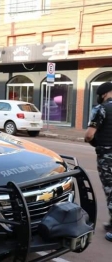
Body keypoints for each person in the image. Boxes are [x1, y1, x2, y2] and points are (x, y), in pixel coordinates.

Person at [84, 81, 112, 242]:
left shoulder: (101, 109)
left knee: (110, 190)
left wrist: (93, 141)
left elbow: (89, 135)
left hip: (107, 156)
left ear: (104, 94)